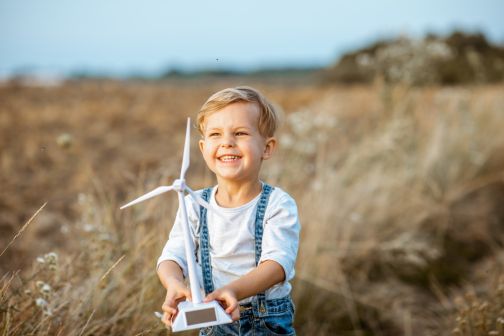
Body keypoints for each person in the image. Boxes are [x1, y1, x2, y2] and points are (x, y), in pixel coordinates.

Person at [157, 86, 300, 335]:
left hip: (265, 321)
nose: (227, 143)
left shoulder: (278, 204)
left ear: (267, 148)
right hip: (213, 321)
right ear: (202, 148)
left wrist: (234, 290)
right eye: (215, 134)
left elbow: (277, 264)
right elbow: (172, 256)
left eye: (240, 133)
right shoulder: (192, 203)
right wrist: (174, 284)